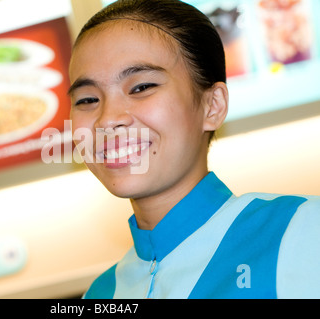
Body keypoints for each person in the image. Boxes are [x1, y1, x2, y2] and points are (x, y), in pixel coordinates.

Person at [67, 0, 320, 299]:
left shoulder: (303, 231)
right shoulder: (101, 293)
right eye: (86, 100)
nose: (108, 119)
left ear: (212, 106)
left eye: (141, 87)